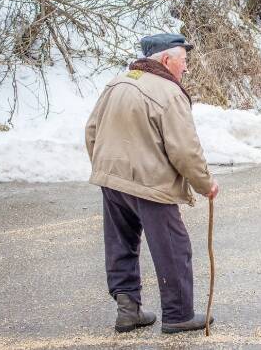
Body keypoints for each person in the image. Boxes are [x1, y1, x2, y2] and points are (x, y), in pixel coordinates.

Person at [85, 33, 219, 334]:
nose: (186, 69)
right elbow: (185, 150)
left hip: (112, 179)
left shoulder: (117, 83)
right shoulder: (169, 93)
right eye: (183, 62)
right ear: (167, 60)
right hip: (150, 183)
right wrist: (205, 183)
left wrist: (105, 167)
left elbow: (91, 130)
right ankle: (179, 315)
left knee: (121, 244)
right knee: (173, 248)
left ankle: (128, 310)